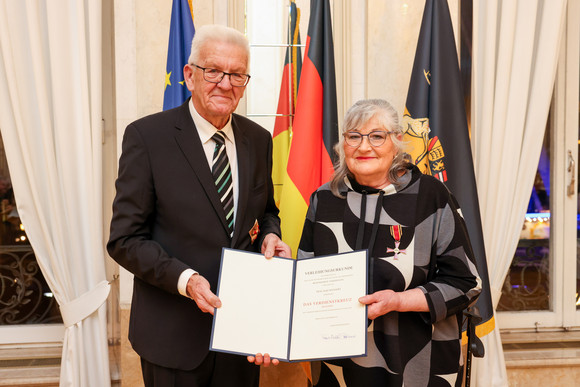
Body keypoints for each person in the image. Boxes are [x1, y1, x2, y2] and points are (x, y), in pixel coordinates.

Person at [107, 24, 290, 387]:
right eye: (214, 71)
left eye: (237, 74)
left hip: (241, 336)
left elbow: (267, 210)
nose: (225, 83)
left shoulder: (259, 139)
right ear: (190, 75)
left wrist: (270, 234)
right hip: (172, 339)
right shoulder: (147, 138)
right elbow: (124, 240)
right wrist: (186, 280)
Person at [297, 99, 481, 387]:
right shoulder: (325, 199)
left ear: (397, 142)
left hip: (417, 361)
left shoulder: (431, 197)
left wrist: (399, 301)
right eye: (353, 136)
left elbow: (466, 283)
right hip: (339, 363)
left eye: (377, 136)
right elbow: (305, 281)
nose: (363, 146)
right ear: (342, 145)